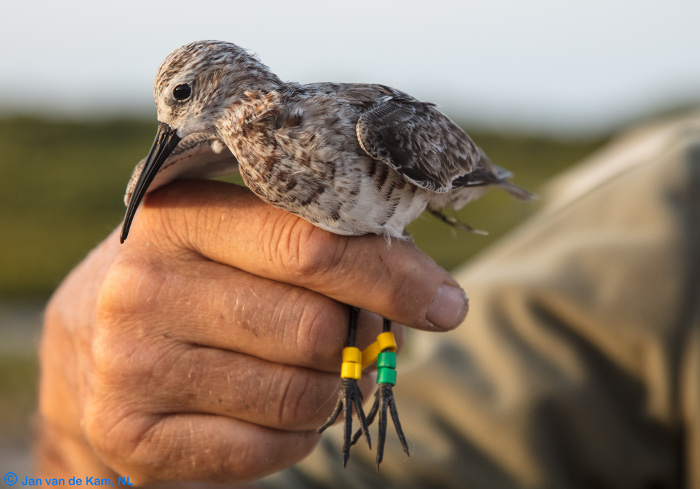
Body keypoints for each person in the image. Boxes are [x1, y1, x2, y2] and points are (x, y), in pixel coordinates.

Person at [36, 112, 700, 488]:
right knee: (356, 302)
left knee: (368, 296)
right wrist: (75, 446)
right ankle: (366, 387)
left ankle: (373, 385)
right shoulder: (673, 229)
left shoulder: (379, 124)